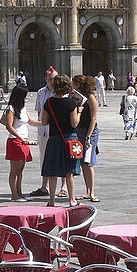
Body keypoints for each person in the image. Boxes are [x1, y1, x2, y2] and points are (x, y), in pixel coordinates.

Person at [41, 75, 82, 207]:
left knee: (52, 171)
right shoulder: (71, 103)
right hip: (69, 138)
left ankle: (51, 200)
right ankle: (72, 200)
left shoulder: (48, 102)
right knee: (69, 171)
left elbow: (44, 121)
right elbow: (74, 123)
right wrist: (79, 112)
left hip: (53, 139)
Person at [2, 85, 41, 201]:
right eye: (24, 95)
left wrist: (44, 122)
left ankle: (19, 193)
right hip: (15, 140)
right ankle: (14, 195)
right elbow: (9, 126)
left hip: (24, 141)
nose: (26, 97)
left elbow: (31, 121)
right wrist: (20, 137)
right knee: (14, 170)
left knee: (20, 169)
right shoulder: (11, 108)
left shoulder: (23, 108)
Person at [29, 67, 56, 197]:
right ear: (46, 78)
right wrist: (40, 127)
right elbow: (39, 112)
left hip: (56, 131)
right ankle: (44, 186)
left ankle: (63, 187)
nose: (53, 81)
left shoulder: (60, 92)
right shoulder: (40, 92)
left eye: (54, 78)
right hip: (43, 132)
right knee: (43, 159)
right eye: (50, 78)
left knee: (60, 158)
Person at [73, 75, 99, 201]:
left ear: (78, 84)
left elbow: (93, 118)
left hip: (90, 132)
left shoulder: (91, 98)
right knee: (83, 162)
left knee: (89, 162)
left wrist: (89, 136)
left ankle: (92, 191)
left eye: (74, 83)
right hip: (79, 130)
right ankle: (87, 191)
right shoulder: (78, 97)